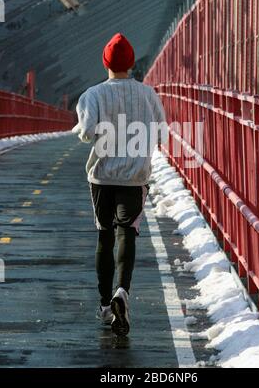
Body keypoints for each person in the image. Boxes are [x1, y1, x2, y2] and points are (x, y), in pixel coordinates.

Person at [72, 33, 167, 336]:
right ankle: (121, 291)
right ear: (131, 62)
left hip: (101, 176)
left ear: (105, 62)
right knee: (128, 232)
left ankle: (103, 304)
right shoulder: (148, 95)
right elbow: (161, 133)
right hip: (135, 176)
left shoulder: (93, 94)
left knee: (104, 234)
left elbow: (86, 134)